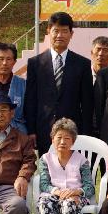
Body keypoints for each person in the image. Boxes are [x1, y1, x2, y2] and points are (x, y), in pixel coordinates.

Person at [24, 11, 94, 155]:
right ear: (49, 31)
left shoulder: (83, 64)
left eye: (64, 31)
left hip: (73, 131)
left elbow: (87, 103)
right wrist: (31, 130)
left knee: (73, 172)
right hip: (44, 129)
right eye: (56, 31)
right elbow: (31, 100)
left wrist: (86, 133)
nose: (60, 35)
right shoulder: (35, 63)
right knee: (48, 172)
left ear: (71, 34)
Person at [36, 118, 95, 214]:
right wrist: (57, 191)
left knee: (70, 205)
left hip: (75, 195)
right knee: (44, 205)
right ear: (52, 139)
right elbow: (43, 184)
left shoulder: (82, 160)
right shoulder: (45, 159)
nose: (62, 141)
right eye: (59, 137)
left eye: (67, 138)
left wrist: (76, 191)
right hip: (53, 194)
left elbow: (89, 187)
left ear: (73, 141)